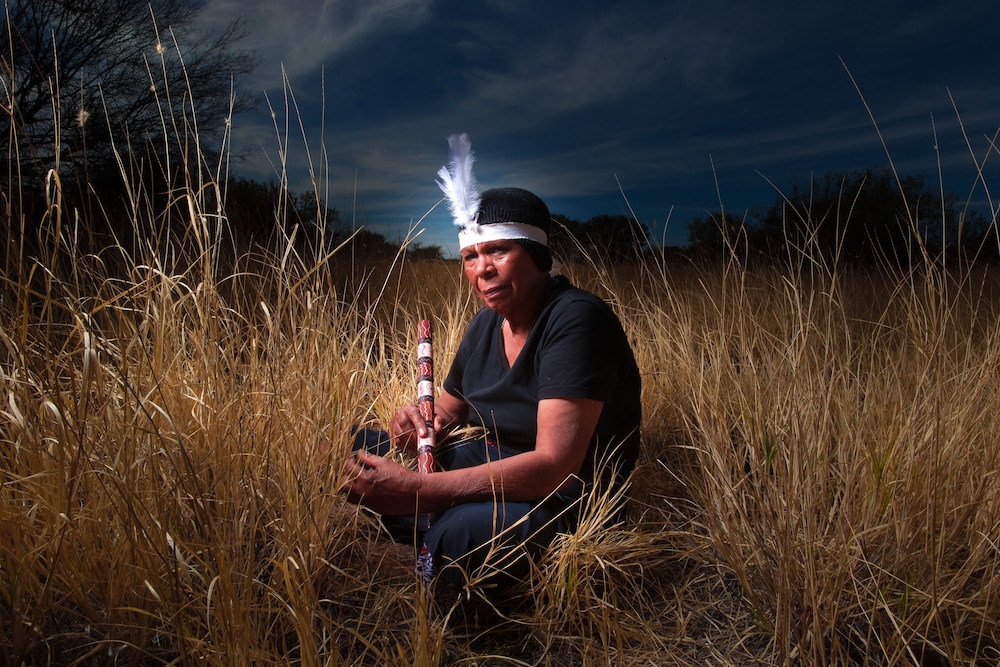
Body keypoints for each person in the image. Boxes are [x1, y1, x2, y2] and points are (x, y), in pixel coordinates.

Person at [342, 142, 641, 597]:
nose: (482, 270)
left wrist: (419, 490)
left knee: (458, 537)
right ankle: (427, 522)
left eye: (499, 251)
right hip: (491, 462)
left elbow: (555, 467)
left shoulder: (576, 319)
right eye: (470, 256)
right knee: (355, 447)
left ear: (537, 257)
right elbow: (447, 412)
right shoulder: (486, 323)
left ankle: (434, 532)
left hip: (562, 493)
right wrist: (417, 425)